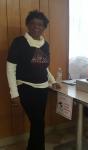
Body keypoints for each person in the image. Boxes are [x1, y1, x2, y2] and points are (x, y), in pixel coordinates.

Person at [6, 10, 60, 150]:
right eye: (33, 23)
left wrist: (52, 81)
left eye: (40, 24)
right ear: (28, 25)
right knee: (38, 123)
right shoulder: (19, 42)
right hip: (25, 87)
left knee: (38, 123)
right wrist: (14, 93)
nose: (36, 27)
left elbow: (43, 67)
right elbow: (10, 68)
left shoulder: (45, 45)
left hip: (43, 89)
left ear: (44, 27)